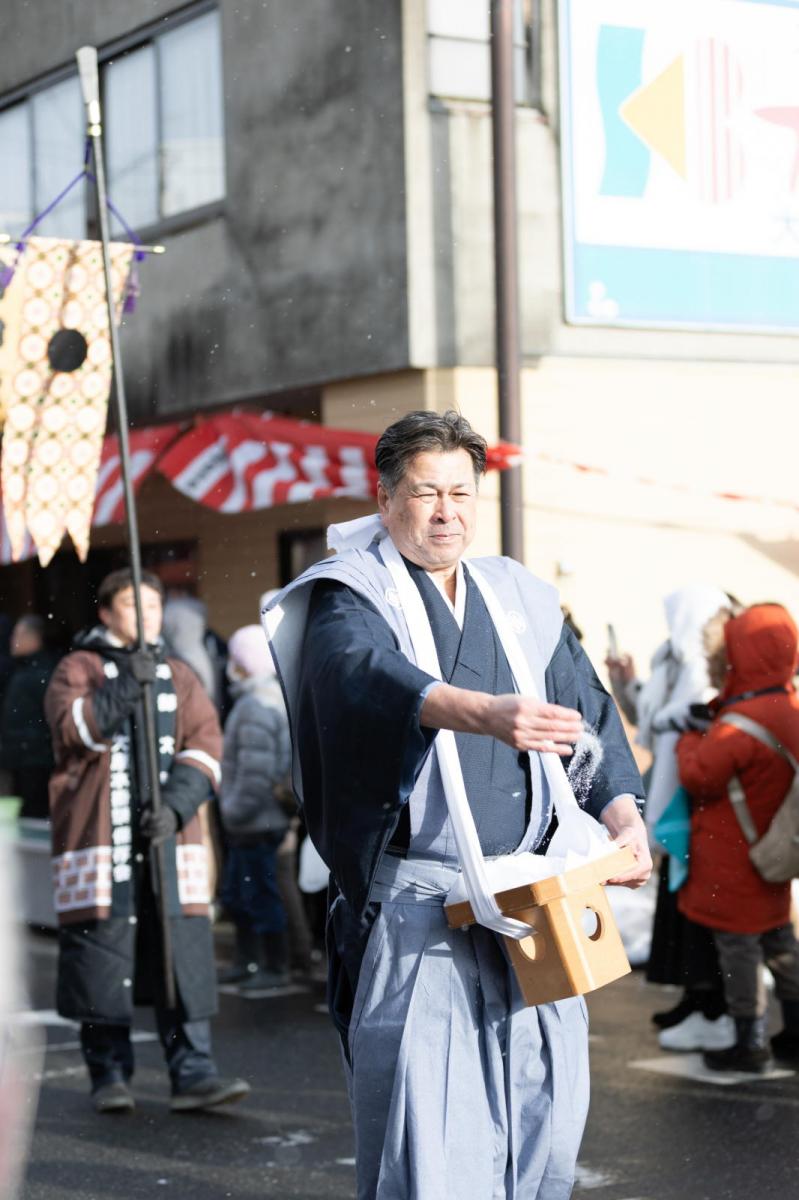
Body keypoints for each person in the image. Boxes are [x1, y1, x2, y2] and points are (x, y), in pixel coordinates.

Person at [265, 410, 651, 1199]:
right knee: (432, 1140)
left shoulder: (517, 595)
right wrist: (482, 711)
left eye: (460, 492)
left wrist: (621, 813)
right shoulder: (350, 591)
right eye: (423, 493)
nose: (446, 511)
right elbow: (357, 675)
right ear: (384, 500)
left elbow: (588, 710)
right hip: (419, 906)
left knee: (542, 1114)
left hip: (531, 895)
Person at [44, 568, 250, 1114]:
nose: (148, 617)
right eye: (135, 607)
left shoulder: (179, 674)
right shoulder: (78, 668)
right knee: (101, 954)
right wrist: (121, 685)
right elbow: (74, 733)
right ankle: (108, 1072)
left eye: (155, 607)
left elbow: (206, 744)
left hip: (168, 842)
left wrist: (177, 804)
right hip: (99, 841)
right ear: (107, 614)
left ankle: (193, 1071)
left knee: (179, 952)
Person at [606, 587, 734, 1052]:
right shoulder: (672, 660)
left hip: (696, 801)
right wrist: (627, 683)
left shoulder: (706, 666)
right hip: (676, 795)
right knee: (680, 903)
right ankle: (693, 996)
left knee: (699, 903)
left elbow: (694, 722)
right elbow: (652, 717)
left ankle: (710, 1004)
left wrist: (675, 721)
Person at [677, 602, 799, 1073]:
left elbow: (699, 776)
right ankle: (795, 1030)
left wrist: (690, 740)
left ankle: (750, 1041)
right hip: (774, 852)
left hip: (733, 858)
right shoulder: (788, 707)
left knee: (739, 947)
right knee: (780, 940)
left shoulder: (738, 723)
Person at [218, 623, 292, 990]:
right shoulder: (273, 698)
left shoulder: (254, 706)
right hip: (263, 819)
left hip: (254, 821)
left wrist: (231, 811)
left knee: (257, 896)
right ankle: (252, 962)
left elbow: (254, 775)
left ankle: (271, 967)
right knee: (248, 893)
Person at [0, 615, 58, 820]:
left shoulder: (43, 672)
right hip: (22, 759)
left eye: (17, 635)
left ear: (33, 638)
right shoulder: (21, 669)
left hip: (36, 761)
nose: (12, 640)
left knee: (35, 816)